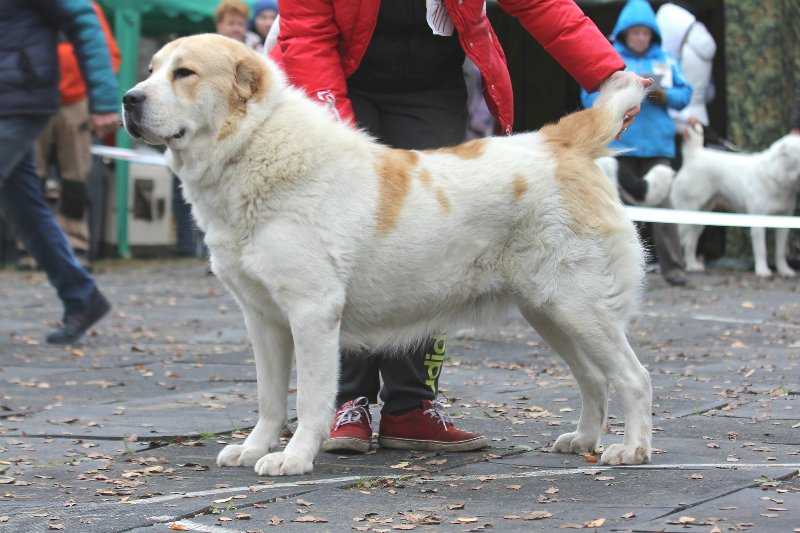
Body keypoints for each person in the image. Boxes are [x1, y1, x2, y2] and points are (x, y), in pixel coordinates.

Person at [272, 0, 647, 454]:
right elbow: (306, 35)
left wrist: (607, 73)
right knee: (344, 246)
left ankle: (410, 407)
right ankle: (347, 403)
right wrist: (339, 146)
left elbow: (542, 4)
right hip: (340, 82)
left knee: (430, 242)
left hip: (430, 87)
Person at [0, 0, 118, 344]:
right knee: (25, 209)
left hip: (19, 98)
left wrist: (104, 100)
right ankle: (81, 295)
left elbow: (84, 21)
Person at [582, 0, 692, 287]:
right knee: (614, 210)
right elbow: (587, 97)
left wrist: (663, 94)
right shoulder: (610, 60)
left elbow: (685, 95)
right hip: (620, 147)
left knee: (664, 208)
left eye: (646, 33)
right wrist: (618, 95)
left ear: (653, 34)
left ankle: (674, 269)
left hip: (658, 148)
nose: (641, 38)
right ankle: (615, 271)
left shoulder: (665, 60)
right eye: (635, 33)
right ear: (624, 34)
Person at [36, 1, 121, 262]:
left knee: (75, 178)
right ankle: (30, 245)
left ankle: (76, 244)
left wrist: (96, 97)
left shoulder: (88, 8)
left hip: (75, 103)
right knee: (31, 177)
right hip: (36, 99)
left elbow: (107, 54)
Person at [656, 2, 716, 130]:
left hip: (684, 120)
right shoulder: (698, 46)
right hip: (698, 115)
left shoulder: (687, 53)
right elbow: (710, 93)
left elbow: (667, 87)